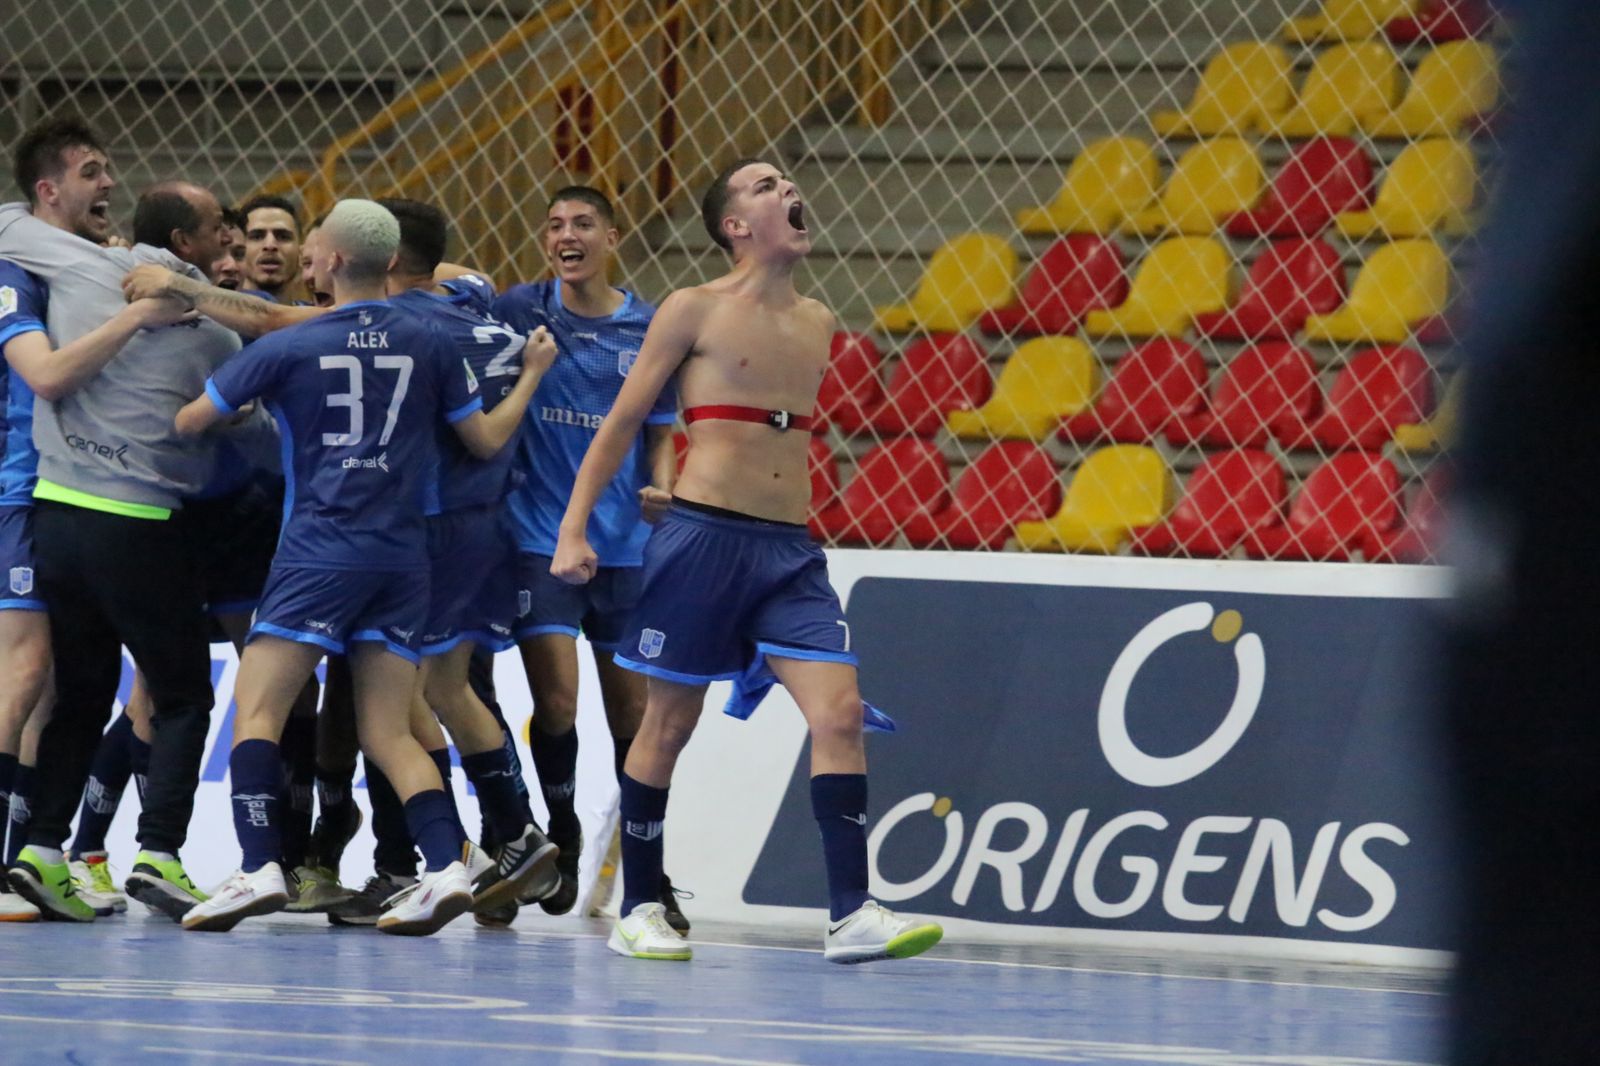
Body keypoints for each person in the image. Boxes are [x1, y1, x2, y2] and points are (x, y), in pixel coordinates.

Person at [550, 159, 942, 964]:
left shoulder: (820, 320)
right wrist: (574, 529)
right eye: (764, 185)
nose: (788, 188)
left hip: (788, 553)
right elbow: (624, 423)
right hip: (702, 541)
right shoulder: (692, 309)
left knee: (838, 716)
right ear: (734, 225)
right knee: (668, 723)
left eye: (788, 180)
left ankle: (851, 913)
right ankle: (640, 904)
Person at [173, 199, 550, 935]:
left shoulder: (297, 344)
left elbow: (192, 419)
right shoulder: (434, 338)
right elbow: (479, 440)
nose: (307, 258)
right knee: (390, 731)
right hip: (404, 557)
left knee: (257, 708)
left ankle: (259, 867)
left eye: (313, 247)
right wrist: (532, 375)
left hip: (320, 549)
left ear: (337, 261)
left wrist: (272, 413)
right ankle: (446, 868)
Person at [0, 119, 226, 923]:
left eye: (111, 167)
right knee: (177, 692)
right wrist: (155, 312)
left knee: (81, 689)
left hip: (59, 516)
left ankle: (39, 851)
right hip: (100, 513)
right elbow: (52, 376)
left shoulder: (100, 264)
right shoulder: (31, 265)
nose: (109, 183)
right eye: (91, 170)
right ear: (49, 190)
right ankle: (159, 853)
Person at [491, 186, 686, 926]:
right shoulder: (520, 310)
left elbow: (660, 430)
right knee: (557, 702)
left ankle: (646, 873)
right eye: (553, 227)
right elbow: (444, 284)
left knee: (631, 714)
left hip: (628, 548)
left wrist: (662, 487)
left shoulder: (649, 325)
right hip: (539, 538)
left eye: (581, 225)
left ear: (612, 233)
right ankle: (563, 832)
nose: (565, 236)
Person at [381, 196, 562, 918]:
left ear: (387, 261)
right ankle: (515, 835)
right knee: (451, 689)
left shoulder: (406, 327)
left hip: (431, 526)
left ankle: (477, 844)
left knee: (397, 701)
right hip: (490, 525)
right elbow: (470, 271)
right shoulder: (471, 302)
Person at [237, 194, 308, 305]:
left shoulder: (321, 320)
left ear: (301, 253)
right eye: (257, 237)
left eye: (283, 237)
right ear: (237, 252)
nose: (270, 245)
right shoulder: (211, 320)